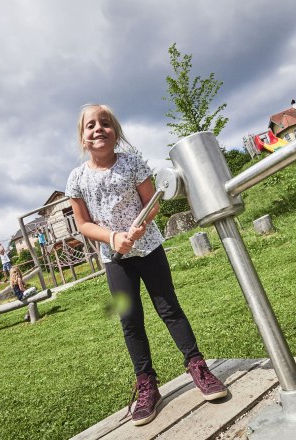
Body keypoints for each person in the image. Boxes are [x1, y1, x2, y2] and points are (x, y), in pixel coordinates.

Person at [66, 104, 227, 426]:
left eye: (105, 123)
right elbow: (83, 224)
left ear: (116, 132)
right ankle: (146, 384)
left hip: (149, 249)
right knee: (130, 319)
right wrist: (113, 238)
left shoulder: (132, 162)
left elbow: (151, 203)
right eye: (90, 126)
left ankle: (197, 365)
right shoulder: (77, 179)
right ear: (82, 138)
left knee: (169, 308)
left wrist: (139, 227)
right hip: (116, 260)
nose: (98, 129)